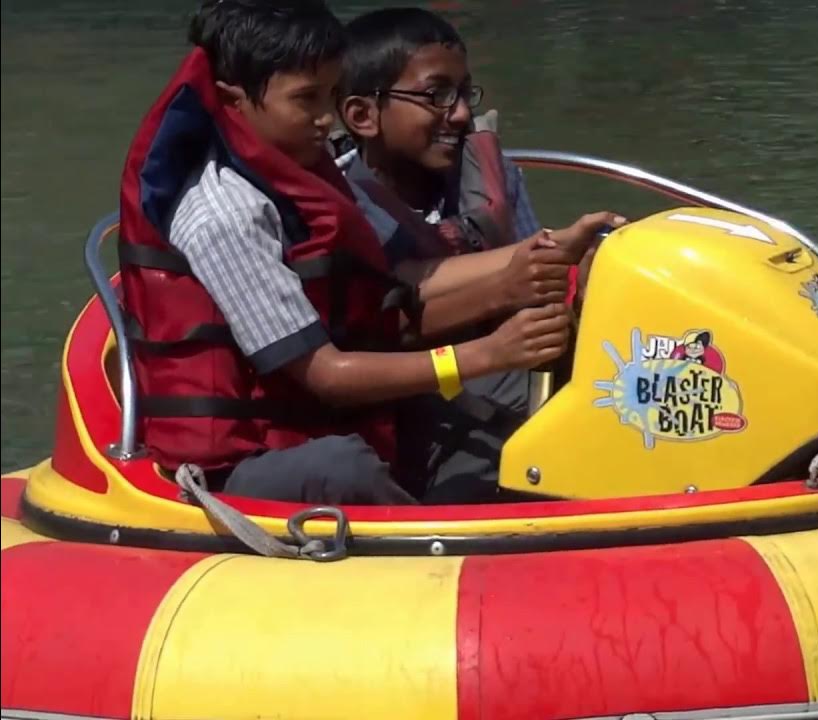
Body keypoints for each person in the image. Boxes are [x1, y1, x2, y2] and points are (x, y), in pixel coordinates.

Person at [116, 0, 596, 505]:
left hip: (327, 419)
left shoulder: (302, 172)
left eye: (331, 95)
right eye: (307, 100)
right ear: (231, 100)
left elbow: (395, 280)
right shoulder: (224, 215)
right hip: (247, 461)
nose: (327, 120)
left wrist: (550, 252)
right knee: (343, 466)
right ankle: (439, 556)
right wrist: (484, 354)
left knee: (496, 408)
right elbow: (326, 376)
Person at [335, 7, 621, 502]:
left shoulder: (492, 175)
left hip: (524, 378)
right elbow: (371, 334)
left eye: (464, 93)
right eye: (436, 95)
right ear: (363, 116)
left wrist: (583, 271)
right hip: (417, 409)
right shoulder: (338, 208)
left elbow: (541, 290)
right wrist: (505, 293)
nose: (462, 113)